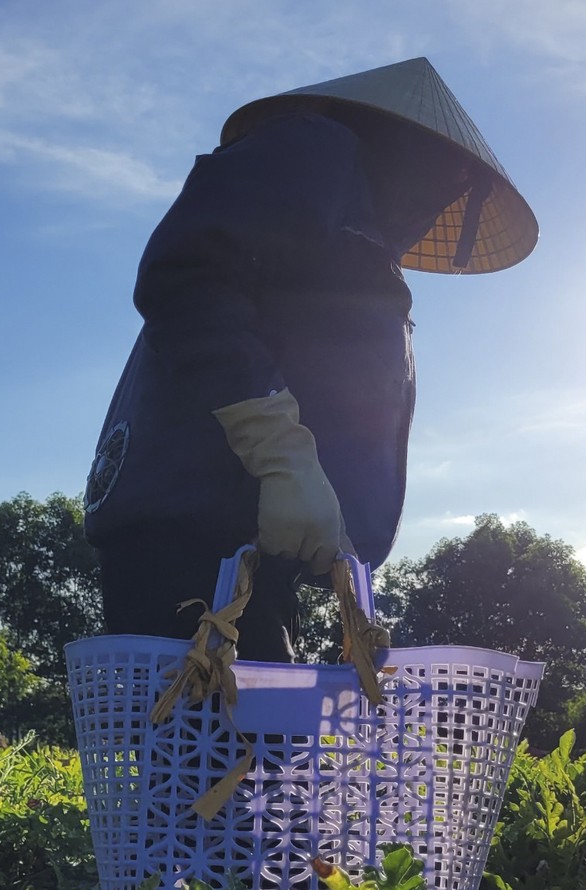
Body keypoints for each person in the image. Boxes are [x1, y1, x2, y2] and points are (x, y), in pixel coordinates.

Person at [82, 57, 537, 662]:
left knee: (263, 749)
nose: (443, 198)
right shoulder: (312, 149)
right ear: (405, 148)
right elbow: (187, 273)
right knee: (215, 747)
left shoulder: (352, 235)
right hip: (193, 532)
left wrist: (339, 515)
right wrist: (279, 453)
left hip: (256, 543)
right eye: (447, 178)